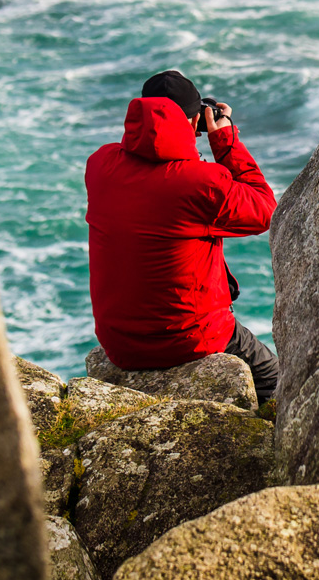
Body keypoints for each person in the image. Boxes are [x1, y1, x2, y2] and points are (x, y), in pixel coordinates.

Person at [84, 69, 279, 403]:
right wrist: (225, 141)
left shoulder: (100, 165)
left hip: (118, 342)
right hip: (188, 339)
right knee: (273, 376)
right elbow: (265, 210)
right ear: (192, 123)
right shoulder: (201, 183)